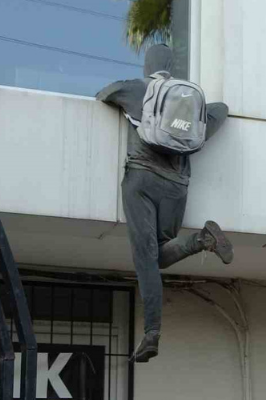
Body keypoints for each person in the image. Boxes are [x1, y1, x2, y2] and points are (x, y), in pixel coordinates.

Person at [97, 44, 234, 363]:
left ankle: (152, 332)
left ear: (149, 66)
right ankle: (202, 239)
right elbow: (222, 110)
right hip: (177, 186)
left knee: (146, 256)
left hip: (141, 180)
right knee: (158, 253)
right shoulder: (188, 104)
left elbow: (105, 93)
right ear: (171, 68)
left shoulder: (137, 88)